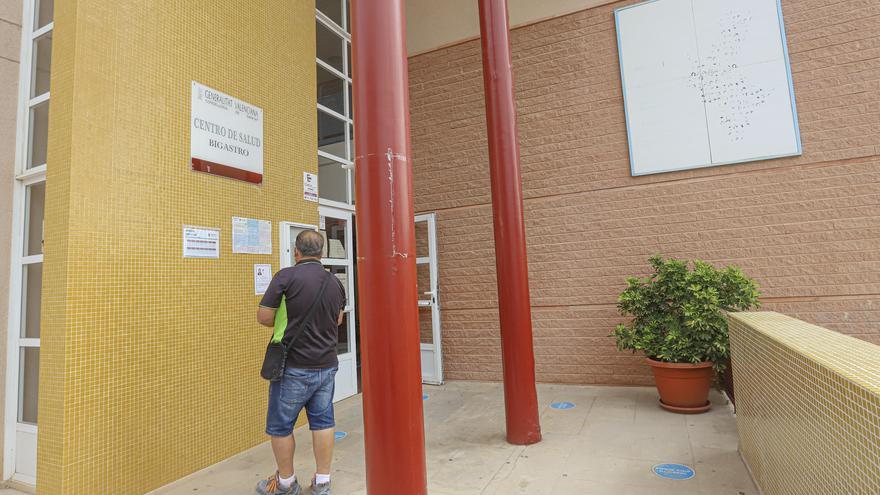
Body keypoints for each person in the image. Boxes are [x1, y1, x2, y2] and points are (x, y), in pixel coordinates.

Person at [255, 230, 346, 495]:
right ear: (322, 252)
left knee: (281, 426)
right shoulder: (334, 282)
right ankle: (322, 482)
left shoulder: (285, 277)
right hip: (327, 365)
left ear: (296, 252)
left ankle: (286, 483)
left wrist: (287, 319)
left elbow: (264, 316)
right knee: (323, 422)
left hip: (292, 367)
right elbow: (338, 319)